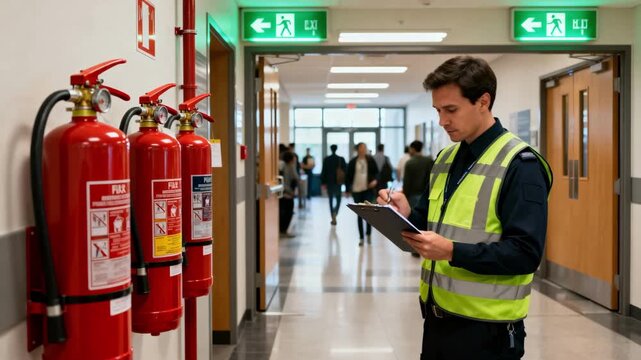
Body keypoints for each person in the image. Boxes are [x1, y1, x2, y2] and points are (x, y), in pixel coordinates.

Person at [377, 56, 552, 360]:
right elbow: (431, 225)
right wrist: (405, 214)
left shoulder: (520, 165)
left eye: (451, 110)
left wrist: (452, 251)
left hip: (487, 330)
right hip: (438, 317)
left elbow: (525, 254)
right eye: (438, 110)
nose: (442, 120)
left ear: (483, 101)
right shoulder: (445, 158)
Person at [346, 142, 379, 246]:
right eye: (361, 148)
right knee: (360, 214)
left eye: (364, 147)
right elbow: (348, 176)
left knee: (368, 214)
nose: (363, 149)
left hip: (368, 190)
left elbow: (377, 173)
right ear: (357, 149)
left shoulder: (370, 160)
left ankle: (368, 234)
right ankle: (361, 237)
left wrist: (375, 181)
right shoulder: (353, 162)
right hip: (356, 190)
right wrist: (347, 189)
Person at [320, 144, 347, 225]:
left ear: (331, 149)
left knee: (330, 200)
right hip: (338, 182)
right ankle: (335, 212)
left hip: (329, 182)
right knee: (339, 199)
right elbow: (345, 171)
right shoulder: (341, 159)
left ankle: (332, 216)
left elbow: (323, 171)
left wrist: (323, 183)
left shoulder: (327, 159)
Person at [402, 140, 434, 208]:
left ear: (413, 149)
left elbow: (407, 182)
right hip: (427, 194)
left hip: (413, 195)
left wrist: (405, 195)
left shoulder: (410, 163)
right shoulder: (429, 161)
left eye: (410, 149)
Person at [279, 151, 298, 237]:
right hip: (289, 192)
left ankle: (282, 230)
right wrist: (292, 191)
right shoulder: (291, 167)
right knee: (288, 212)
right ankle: (284, 231)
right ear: (291, 159)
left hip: (282, 191)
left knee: (283, 212)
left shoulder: (281, 166)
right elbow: (296, 178)